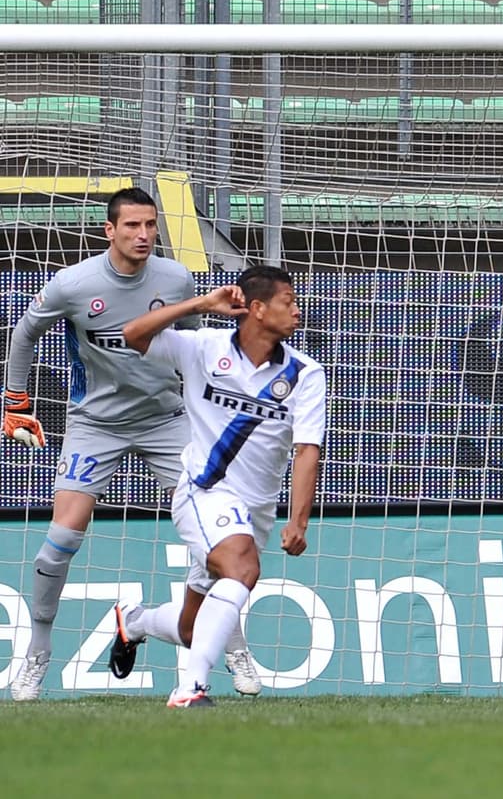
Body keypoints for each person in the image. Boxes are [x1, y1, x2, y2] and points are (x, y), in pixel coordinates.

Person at [2, 187, 260, 701]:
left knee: (217, 538)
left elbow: (193, 346)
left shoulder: (176, 279)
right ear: (109, 230)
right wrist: (14, 398)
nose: (144, 235)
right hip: (96, 422)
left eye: (150, 225)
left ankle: (232, 646)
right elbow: (26, 332)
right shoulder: (72, 285)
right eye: (132, 226)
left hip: (166, 419)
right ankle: (37, 654)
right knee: (64, 536)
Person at [110, 265, 326, 707]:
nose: (298, 311)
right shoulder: (203, 347)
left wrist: (298, 520)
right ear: (258, 308)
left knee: (193, 628)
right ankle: (190, 690)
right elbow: (132, 334)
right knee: (243, 569)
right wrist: (201, 304)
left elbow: (308, 451)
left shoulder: (306, 374)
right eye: (288, 301)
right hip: (202, 492)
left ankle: (133, 623)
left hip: (256, 510)